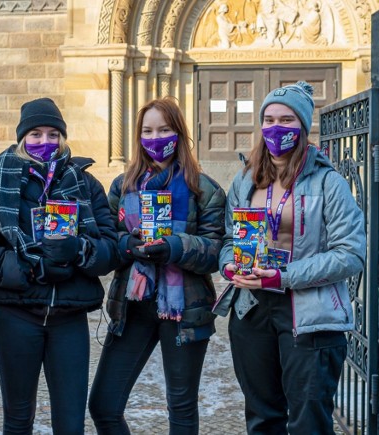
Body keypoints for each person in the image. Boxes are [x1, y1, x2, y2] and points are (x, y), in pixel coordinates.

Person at [0, 97, 118, 434]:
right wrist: (28, 269)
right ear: (22, 139)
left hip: (69, 319)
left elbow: (111, 247)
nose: (44, 142)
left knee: (71, 423)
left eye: (52, 134)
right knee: (17, 421)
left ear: (63, 138)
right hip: (16, 315)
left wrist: (79, 251)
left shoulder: (85, 184)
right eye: (35, 134)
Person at [215, 81, 366, 434]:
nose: (275, 128)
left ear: (302, 125)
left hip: (309, 314)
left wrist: (282, 276)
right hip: (251, 309)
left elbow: (350, 254)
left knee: (307, 423)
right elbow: (228, 238)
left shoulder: (329, 183)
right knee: (262, 418)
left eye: (286, 119)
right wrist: (229, 264)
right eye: (268, 119)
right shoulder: (245, 180)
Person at [88, 97, 226, 434]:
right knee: (104, 405)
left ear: (178, 133)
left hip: (184, 309)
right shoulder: (123, 186)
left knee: (180, 408)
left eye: (164, 129)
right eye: (148, 131)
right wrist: (127, 245)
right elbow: (108, 240)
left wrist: (175, 247)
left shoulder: (204, 189)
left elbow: (217, 251)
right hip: (132, 305)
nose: (156, 137)